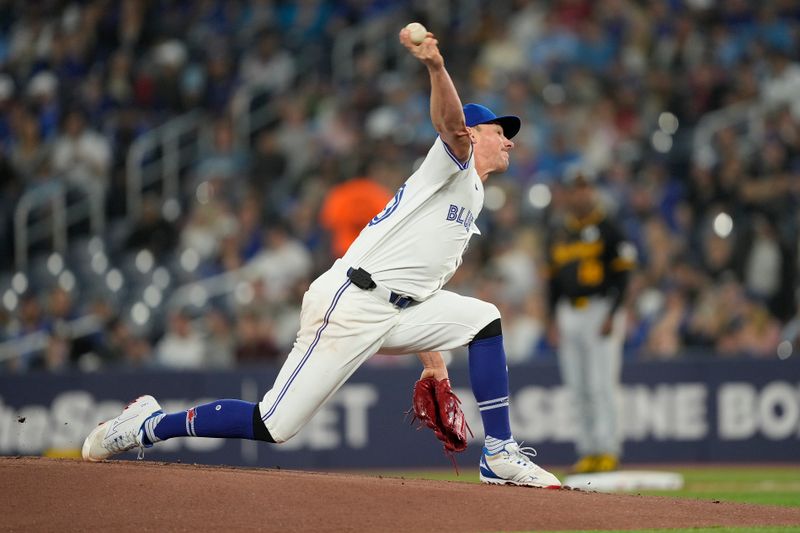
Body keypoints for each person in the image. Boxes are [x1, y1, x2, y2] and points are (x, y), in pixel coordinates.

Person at [82, 27, 561, 489]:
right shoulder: (452, 165)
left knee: (484, 319)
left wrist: (434, 359)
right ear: (475, 135)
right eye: (500, 131)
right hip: (350, 303)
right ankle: (149, 424)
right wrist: (436, 66)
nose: (510, 140)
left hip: (397, 309)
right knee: (275, 423)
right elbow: (450, 124)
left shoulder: (472, 197)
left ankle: (499, 452)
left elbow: (419, 282)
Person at [545, 165, 636, 473]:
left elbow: (624, 275)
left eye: (585, 187)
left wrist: (614, 312)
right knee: (578, 386)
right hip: (569, 311)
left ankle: (608, 448)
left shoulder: (610, 227)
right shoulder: (559, 231)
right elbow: (552, 281)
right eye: (575, 188)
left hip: (601, 309)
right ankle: (587, 450)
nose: (581, 193)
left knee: (602, 384)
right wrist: (550, 319)